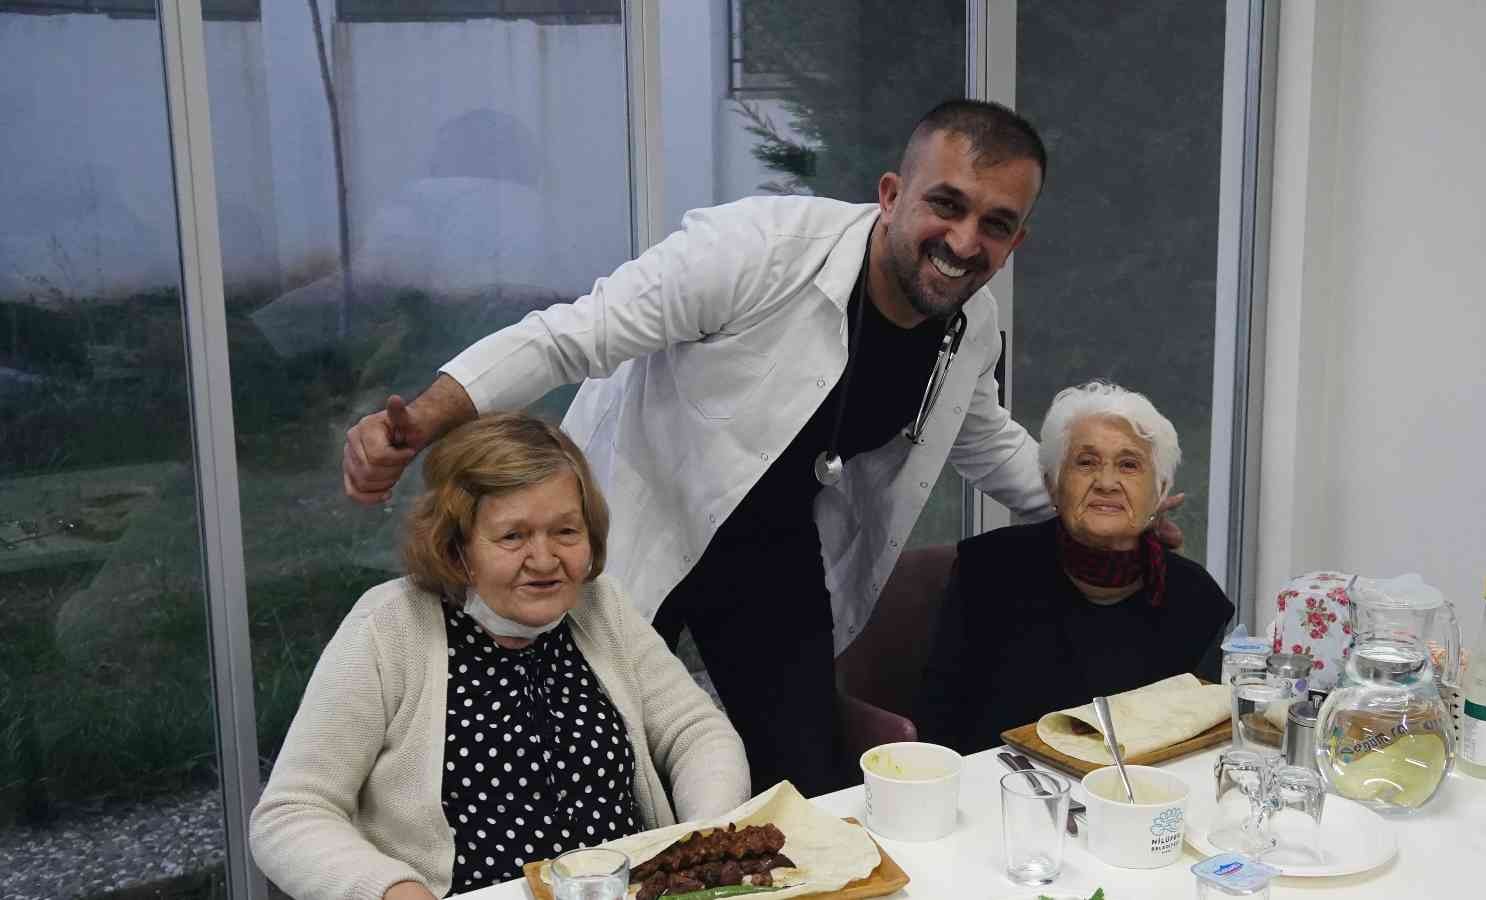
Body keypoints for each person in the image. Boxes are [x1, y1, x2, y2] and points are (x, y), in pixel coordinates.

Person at [342, 99, 1180, 795]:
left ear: (1017, 240)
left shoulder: (973, 323)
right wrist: (420, 421)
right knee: (601, 767)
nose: (964, 243)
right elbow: (571, 335)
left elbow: (983, 436)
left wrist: (1099, 513)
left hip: (773, 549)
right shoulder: (756, 250)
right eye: (946, 205)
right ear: (891, 194)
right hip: (644, 518)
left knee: (805, 773)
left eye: (996, 225)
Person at [254, 414, 747, 900]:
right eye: (513, 536)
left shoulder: (602, 606)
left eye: (566, 532)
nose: (545, 559)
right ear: (455, 547)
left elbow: (696, 733)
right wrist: (393, 891)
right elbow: (292, 814)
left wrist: (705, 839)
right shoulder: (388, 628)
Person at [918, 381, 1231, 755]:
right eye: (1086, 462)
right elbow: (939, 726)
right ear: (1052, 486)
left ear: (1160, 492)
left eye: (1129, 465)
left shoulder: (1197, 600)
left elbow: (1202, 746)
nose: (1107, 482)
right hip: (1006, 792)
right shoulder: (987, 570)